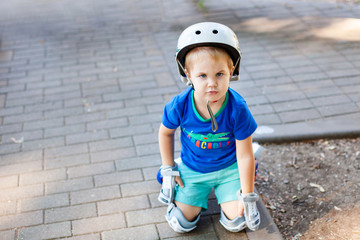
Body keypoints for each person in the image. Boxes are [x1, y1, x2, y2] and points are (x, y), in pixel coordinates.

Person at [158, 22, 261, 233]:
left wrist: (248, 194)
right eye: (203, 76)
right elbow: (165, 133)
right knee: (182, 224)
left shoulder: (237, 108)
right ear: (188, 74)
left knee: (238, 222)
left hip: (229, 169)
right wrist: (168, 167)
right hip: (194, 168)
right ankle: (178, 186)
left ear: (232, 70)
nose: (212, 83)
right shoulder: (180, 105)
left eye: (219, 74)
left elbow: (244, 154)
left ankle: (243, 181)